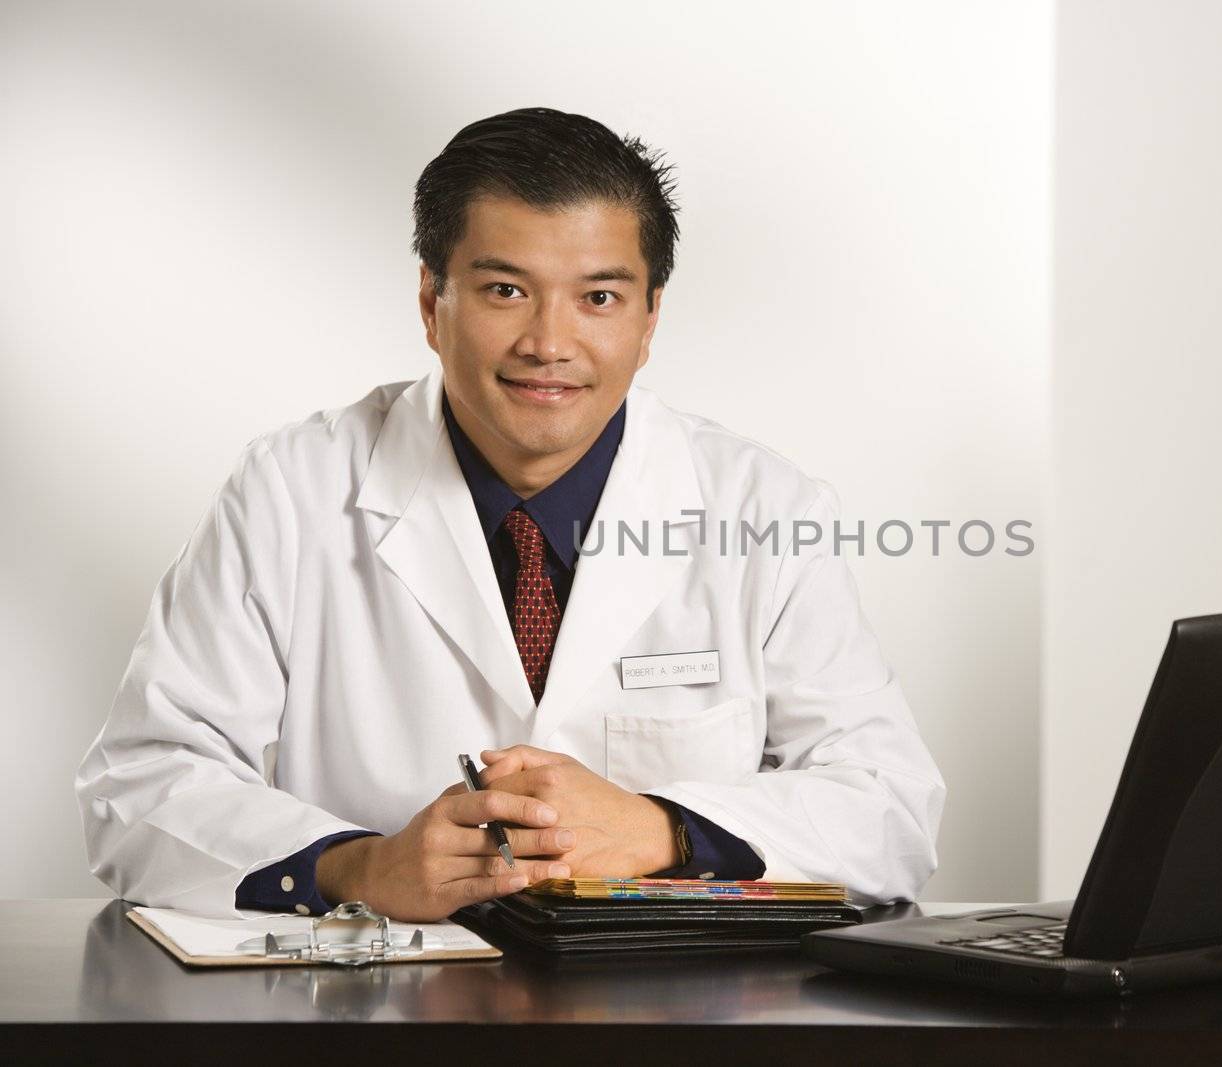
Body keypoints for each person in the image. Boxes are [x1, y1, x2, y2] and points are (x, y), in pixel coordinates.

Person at [75, 107, 945, 922]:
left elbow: (890, 803)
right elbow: (143, 780)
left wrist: (664, 831)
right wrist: (357, 866)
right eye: (504, 291)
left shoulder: (763, 507)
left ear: (649, 320)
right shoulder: (293, 487)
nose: (549, 344)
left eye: (598, 298)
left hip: (671, 1017)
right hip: (377, 1006)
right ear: (431, 302)